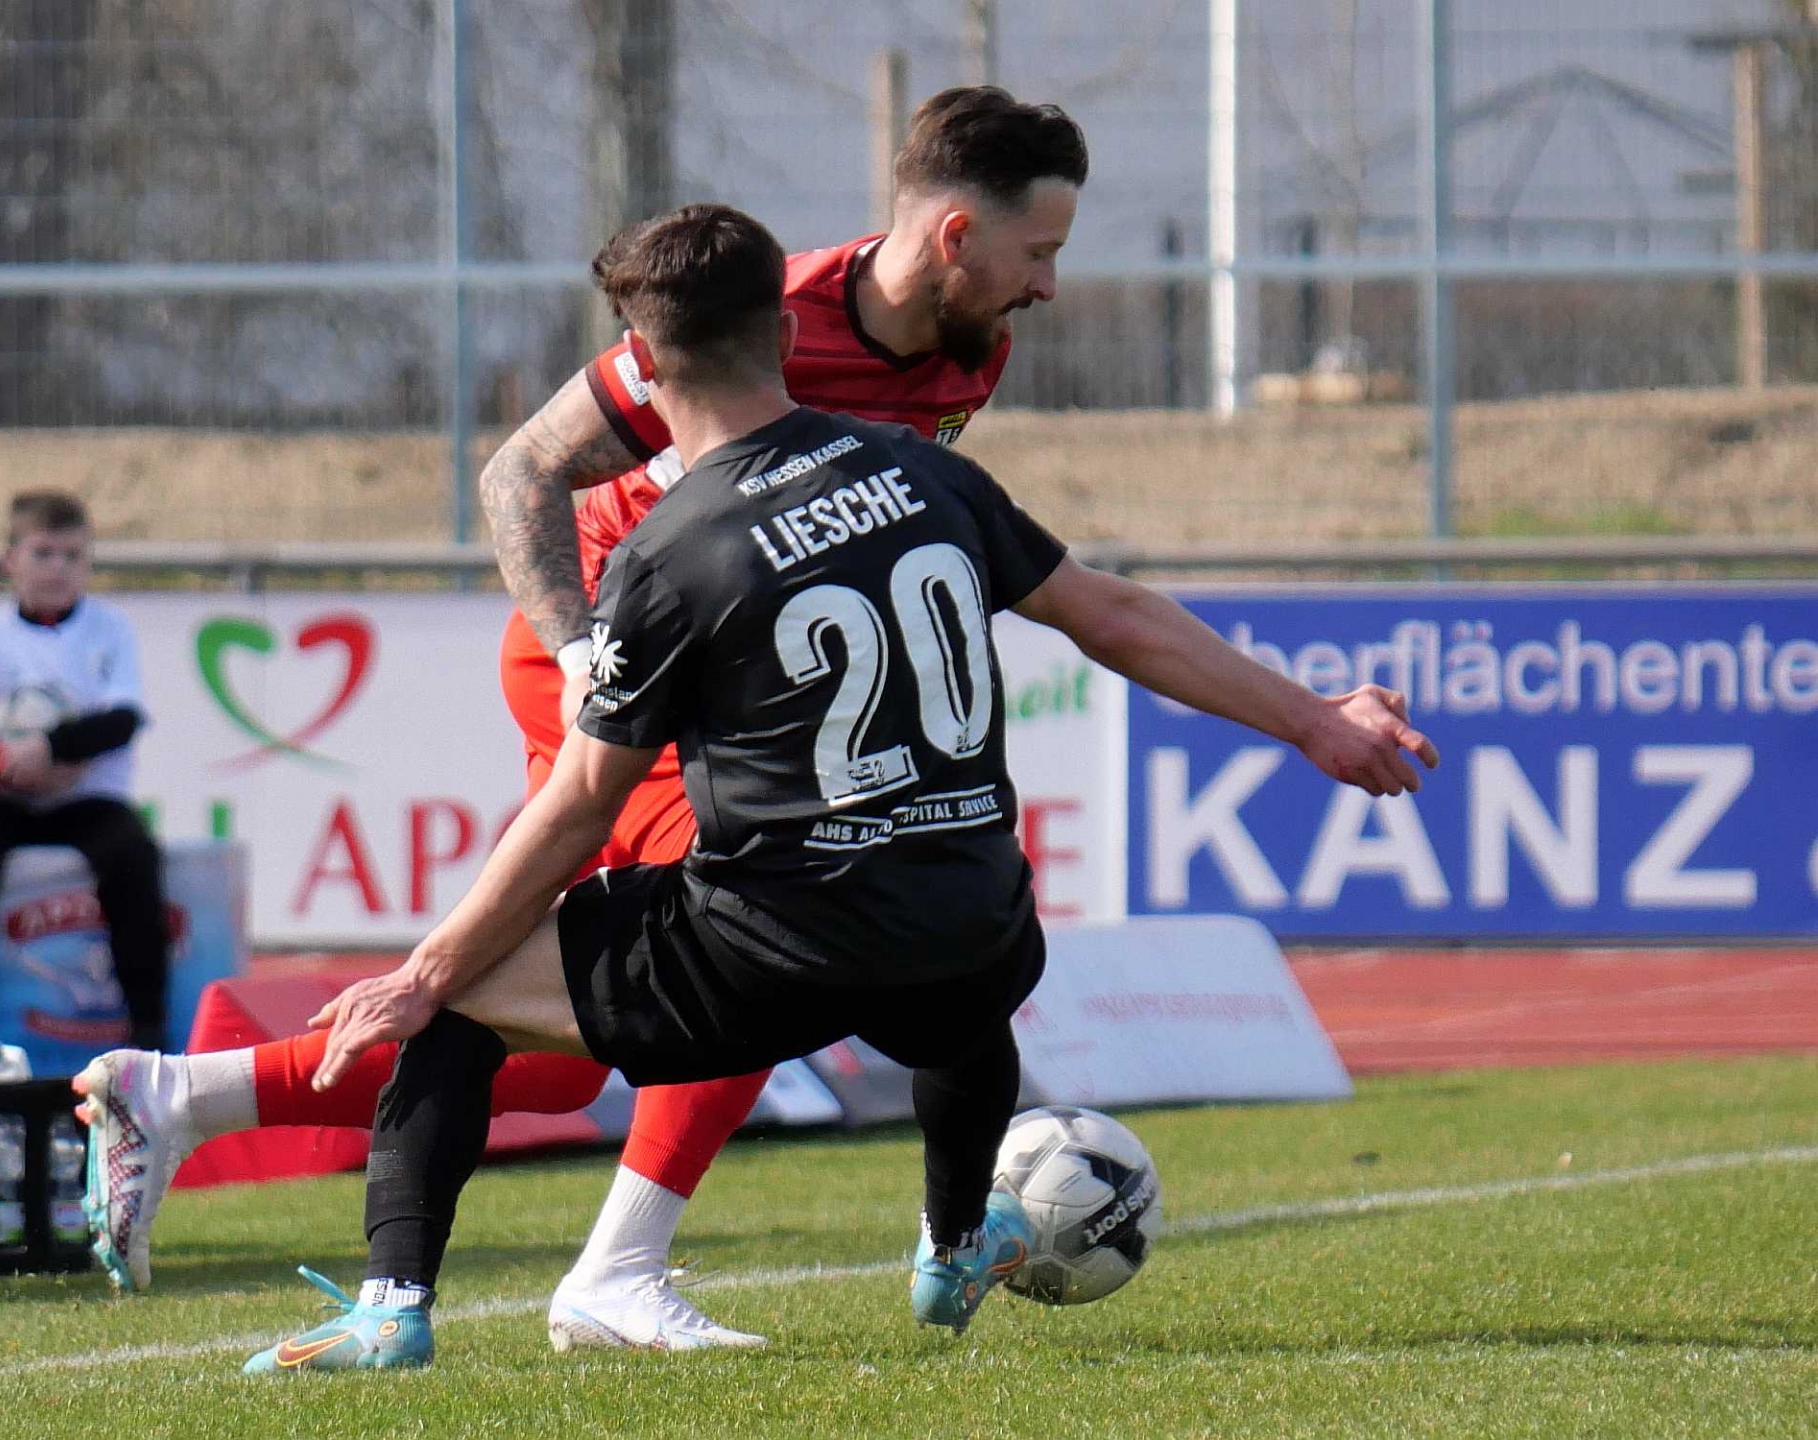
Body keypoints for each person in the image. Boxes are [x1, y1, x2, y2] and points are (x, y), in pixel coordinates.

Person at [240, 202, 1438, 1373]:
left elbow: (581, 805)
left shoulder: (666, 552)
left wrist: (424, 972)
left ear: (643, 365)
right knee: (966, 991)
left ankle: (391, 1311)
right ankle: (953, 1245)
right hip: (976, 931)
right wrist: (1310, 721)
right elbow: (1114, 616)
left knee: (458, 1007)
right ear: (787, 336)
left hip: (775, 957)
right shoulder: (929, 473)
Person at [74, 86, 1090, 1348]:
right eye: (1040, 251)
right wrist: (577, 655)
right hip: (627, 658)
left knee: (574, 1040)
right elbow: (523, 467)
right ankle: (614, 1275)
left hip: (722, 679)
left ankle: (185, 1095)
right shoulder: (755, 318)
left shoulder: (973, 345)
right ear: (956, 235)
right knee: (769, 921)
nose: (1050, 284)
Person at [0, 490, 168, 1054]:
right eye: (43, 553)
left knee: (133, 857)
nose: (58, 568)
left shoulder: (109, 631)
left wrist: (53, 749)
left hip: (88, 797)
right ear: (10, 559)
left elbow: (122, 720)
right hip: (8, 799)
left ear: (88, 563)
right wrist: (10, 764)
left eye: (72, 555)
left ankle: (147, 1027)